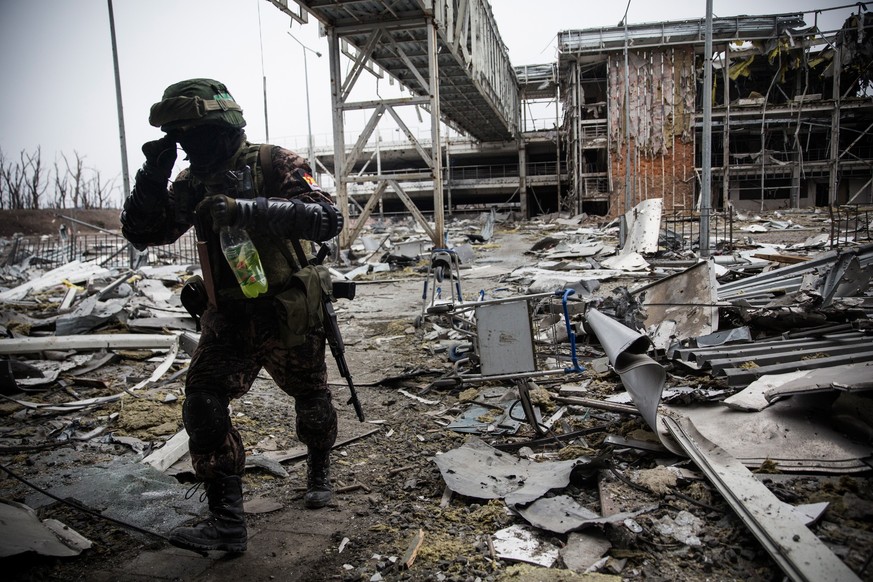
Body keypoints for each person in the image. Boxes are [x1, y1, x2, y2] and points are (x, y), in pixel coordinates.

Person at [121, 78, 344, 554]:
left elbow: (327, 218)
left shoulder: (273, 162)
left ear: (224, 128)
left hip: (286, 310)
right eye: (181, 140)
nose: (190, 148)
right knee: (202, 404)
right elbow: (145, 233)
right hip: (228, 317)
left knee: (312, 398)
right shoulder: (189, 182)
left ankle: (319, 469)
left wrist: (245, 209)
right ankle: (227, 524)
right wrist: (151, 176)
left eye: (197, 136)